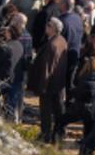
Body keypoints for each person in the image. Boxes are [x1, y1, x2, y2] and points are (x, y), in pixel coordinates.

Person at [29, 17, 69, 145]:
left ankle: (46, 135)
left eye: (49, 25)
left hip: (49, 84)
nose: (46, 26)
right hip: (59, 82)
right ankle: (60, 132)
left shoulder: (51, 45)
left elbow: (47, 69)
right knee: (58, 109)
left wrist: (42, 87)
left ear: (54, 29)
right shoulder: (62, 40)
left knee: (45, 111)